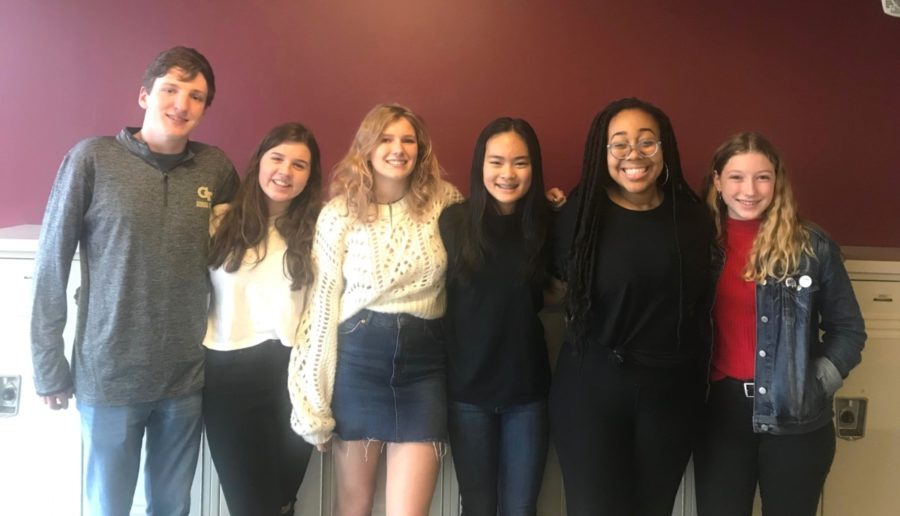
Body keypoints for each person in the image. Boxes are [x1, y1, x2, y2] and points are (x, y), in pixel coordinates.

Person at [30, 46, 239, 515]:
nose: (182, 104)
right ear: (144, 95)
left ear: (206, 108)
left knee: (171, 506)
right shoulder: (92, 159)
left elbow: (237, 264)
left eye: (197, 96)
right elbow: (50, 266)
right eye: (170, 89)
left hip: (184, 376)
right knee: (109, 506)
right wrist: (49, 365)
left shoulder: (217, 170)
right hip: (109, 376)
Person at [288, 103, 462, 515]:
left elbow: (490, 236)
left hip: (424, 368)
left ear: (420, 149)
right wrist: (313, 402)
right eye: (385, 139)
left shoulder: (445, 203)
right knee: (354, 507)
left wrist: (547, 205)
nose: (397, 148)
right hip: (358, 362)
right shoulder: (338, 215)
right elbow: (323, 308)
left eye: (407, 140)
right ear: (366, 147)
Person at [549, 97, 714, 515]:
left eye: (647, 142)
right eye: (619, 144)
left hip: (671, 395)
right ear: (601, 153)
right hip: (591, 391)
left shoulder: (692, 218)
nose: (634, 155)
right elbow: (542, 281)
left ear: (665, 149)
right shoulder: (578, 214)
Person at [693, 131, 865, 516]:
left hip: (796, 418)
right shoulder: (696, 245)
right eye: (736, 177)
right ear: (718, 181)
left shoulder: (812, 245)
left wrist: (813, 384)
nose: (749, 189)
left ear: (778, 181)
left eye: (762, 177)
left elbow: (848, 329)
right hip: (719, 414)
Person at [203, 123, 321, 515]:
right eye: (277, 158)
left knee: (284, 500)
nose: (286, 171)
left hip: (294, 376)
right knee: (252, 506)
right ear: (258, 163)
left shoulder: (320, 230)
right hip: (227, 375)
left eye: (299, 164)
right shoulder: (218, 221)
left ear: (310, 176)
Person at [439, 117, 553, 515]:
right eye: (497, 161)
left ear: (534, 168)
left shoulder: (547, 223)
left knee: (521, 509)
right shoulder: (452, 223)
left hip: (528, 393)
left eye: (520, 162)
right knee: (479, 507)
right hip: (467, 394)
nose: (507, 173)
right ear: (480, 165)